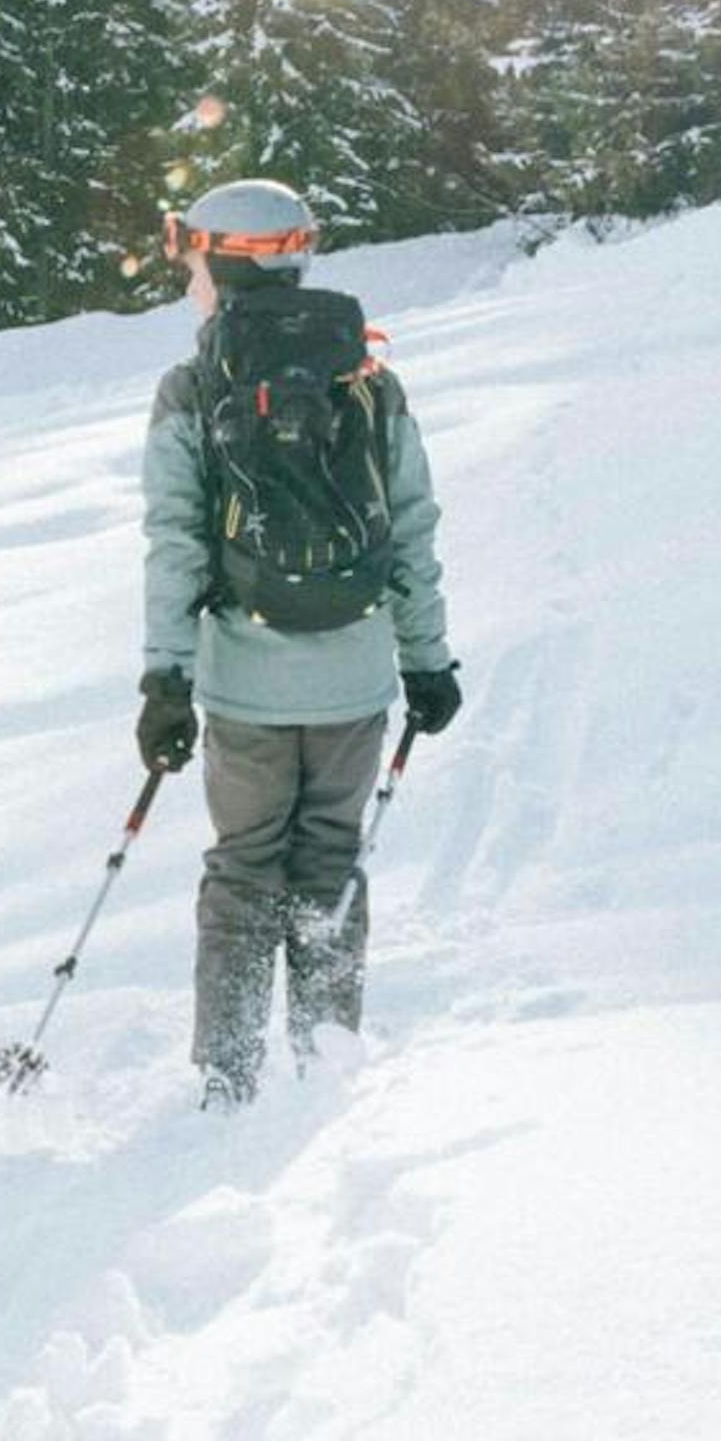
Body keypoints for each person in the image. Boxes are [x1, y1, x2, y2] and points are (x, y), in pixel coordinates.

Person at [136, 178, 460, 1110]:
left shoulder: (193, 388)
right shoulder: (369, 381)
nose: (188, 275)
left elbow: (175, 544)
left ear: (222, 258)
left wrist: (166, 679)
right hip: (355, 681)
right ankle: (325, 1063)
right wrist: (426, 660)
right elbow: (411, 531)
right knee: (329, 859)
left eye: (191, 255)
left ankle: (228, 1081)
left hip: (244, 686)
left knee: (243, 870)